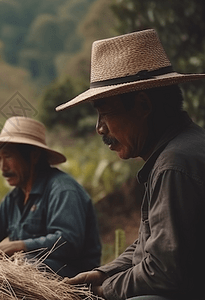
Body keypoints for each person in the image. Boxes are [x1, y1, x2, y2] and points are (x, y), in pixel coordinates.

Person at [56, 29, 205, 300]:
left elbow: (164, 270)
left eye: (104, 114)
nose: (100, 128)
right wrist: (104, 273)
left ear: (143, 105)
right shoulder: (180, 150)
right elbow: (154, 244)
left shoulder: (174, 165)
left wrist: (102, 291)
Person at [0, 116, 101, 277]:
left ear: (34, 156)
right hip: (30, 273)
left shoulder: (63, 190)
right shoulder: (14, 198)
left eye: (8, 156)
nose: (2, 166)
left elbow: (68, 242)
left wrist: (20, 245)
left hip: (69, 281)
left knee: (16, 266)